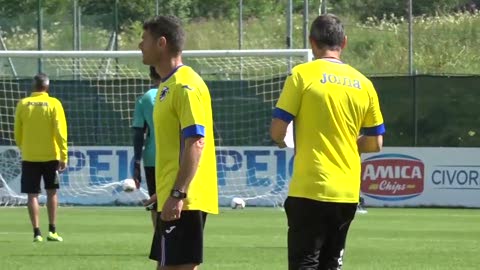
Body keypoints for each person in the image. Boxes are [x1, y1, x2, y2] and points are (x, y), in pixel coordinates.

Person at [270, 14, 385, 270]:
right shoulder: (364, 84)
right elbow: (376, 143)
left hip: (310, 187)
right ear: (343, 42)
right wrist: (346, 140)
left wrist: (282, 141)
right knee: (331, 264)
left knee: (304, 263)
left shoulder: (302, 74)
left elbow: (278, 130)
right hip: (346, 191)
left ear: (312, 42)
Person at [139, 15, 218, 270]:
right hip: (174, 196)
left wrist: (178, 193)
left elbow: (196, 141)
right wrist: (165, 190)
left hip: (186, 199)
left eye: (144, 40)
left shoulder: (186, 85)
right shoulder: (167, 85)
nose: (140, 45)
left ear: (161, 43)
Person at [14, 73, 67, 242]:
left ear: (33, 86)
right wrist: (63, 154)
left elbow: (17, 132)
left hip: (29, 156)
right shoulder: (53, 103)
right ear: (47, 86)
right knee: (52, 192)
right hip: (51, 155)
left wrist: (24, 147)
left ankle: (36, 232)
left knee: (32, 195)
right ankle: (52, 230)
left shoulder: (23, 104)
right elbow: (60, 131)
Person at [132, 66, 161, 228]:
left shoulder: (145, 98)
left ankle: (159, 243)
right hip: (177, 158)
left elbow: (138, 134)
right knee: (177, 198)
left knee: (155, 202)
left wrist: (136, 164)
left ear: (150, 75)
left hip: (152, 158)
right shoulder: (177, 92)